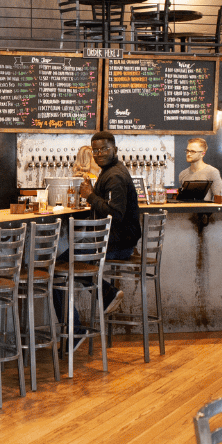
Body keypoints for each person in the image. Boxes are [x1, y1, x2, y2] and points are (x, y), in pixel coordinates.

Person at [55, 131, 142, 341]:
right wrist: (93, 194)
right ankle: (106, 293)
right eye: (95, 150)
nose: (99, 153)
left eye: (104, 149)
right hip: (113, 241)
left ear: (115, 150)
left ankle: (75, 332)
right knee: (66, 265)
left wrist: (90, 196)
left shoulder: (115, 176)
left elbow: (116, 214)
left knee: (56, 271)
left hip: (116, 243)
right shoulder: (109, 172)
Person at [178, 137, 222, 202]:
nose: (188, 154)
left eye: (193, 151)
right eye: (187, 150)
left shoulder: (212, 172)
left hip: (205, 211)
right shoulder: (183, 174)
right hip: (186, 211)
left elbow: (219, 197)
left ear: (203, 154)